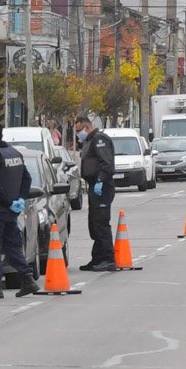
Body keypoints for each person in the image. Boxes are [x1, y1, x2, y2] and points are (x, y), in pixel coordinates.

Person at [0, 120, 38, 299]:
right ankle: (27, 280)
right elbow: (26, 178)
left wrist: (6, 201)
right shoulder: (14, 153)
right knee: (12, 245)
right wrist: (19, 198)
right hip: (12, 210)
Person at [75, 114, 117, 270]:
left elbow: (106, 164)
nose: (78, 133)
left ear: (87, 127)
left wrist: (100, 180)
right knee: (94, 224)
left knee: (101, 224)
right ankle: (97, 258)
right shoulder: (89, 140)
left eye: (79, 130)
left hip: (102, 187)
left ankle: (108, 259)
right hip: (93, 186)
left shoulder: (99, 140)